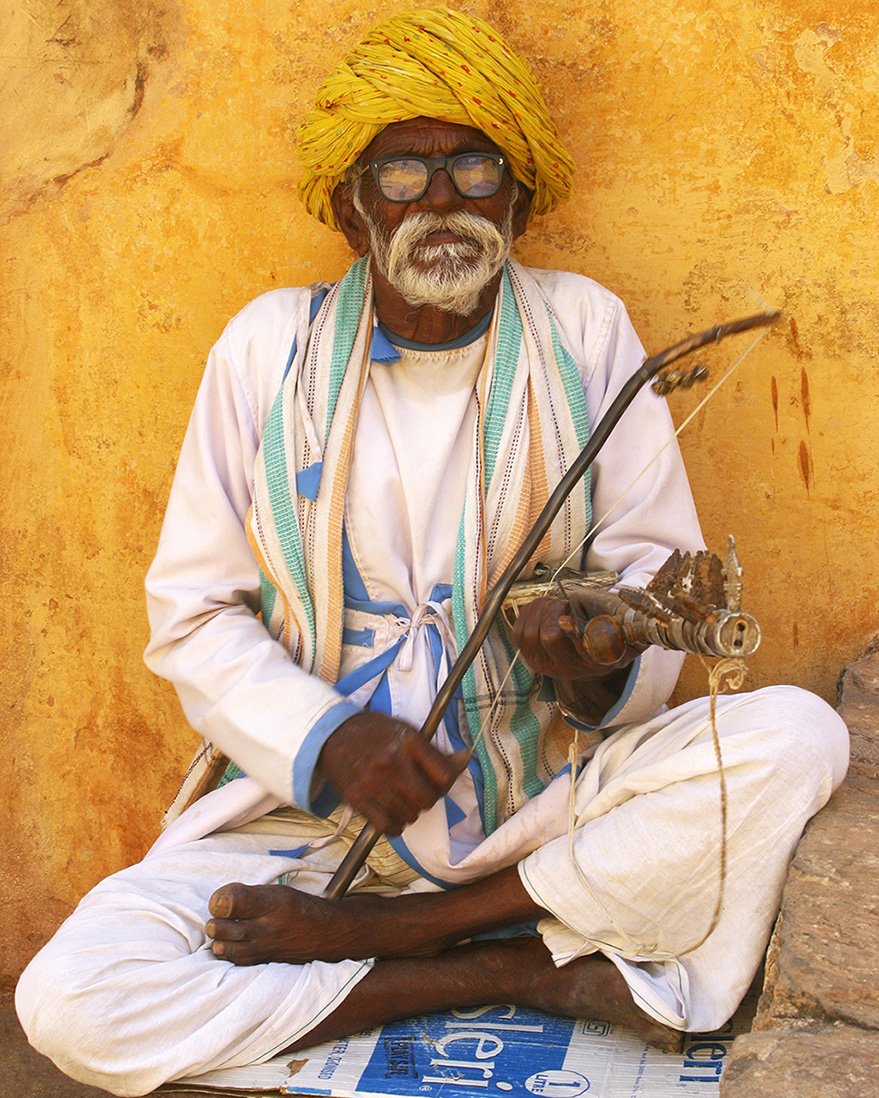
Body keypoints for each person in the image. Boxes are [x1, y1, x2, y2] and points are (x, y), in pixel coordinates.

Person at [16, 8, 848, 1097]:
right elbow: (195, 615)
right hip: (306, 828)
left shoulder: (585, 329)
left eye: (473, 166)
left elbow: (652, 578)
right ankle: (523, 969)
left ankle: (420, 939)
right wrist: (330, 737)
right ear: (353, 210)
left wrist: (596, 660)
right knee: (71, 1002)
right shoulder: (266, 348)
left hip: (542, 811)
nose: (442, 200)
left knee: (797, 734)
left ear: (523, 196)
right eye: (401, 175)